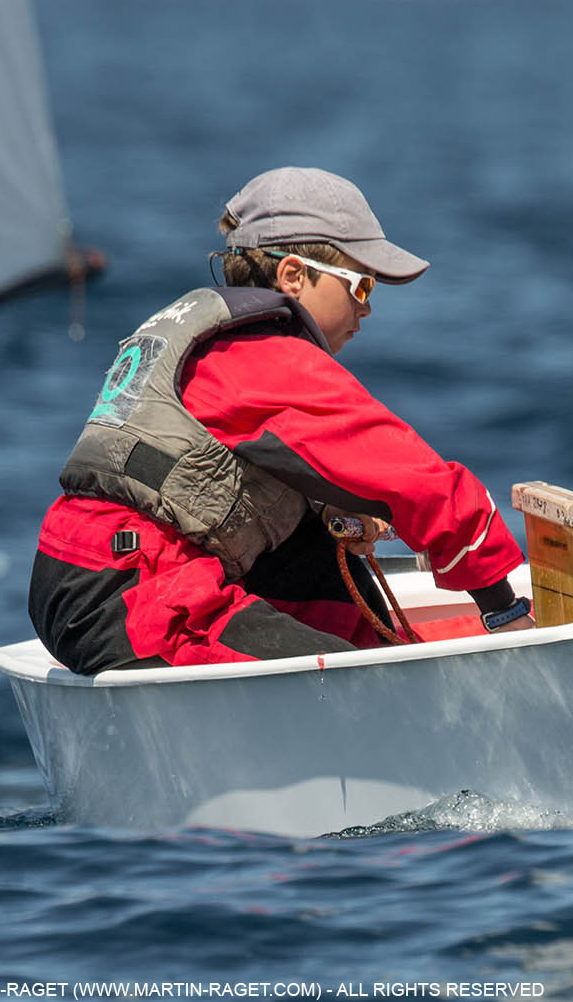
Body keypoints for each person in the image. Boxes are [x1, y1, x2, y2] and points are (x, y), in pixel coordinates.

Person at [29, 166, 532, 675]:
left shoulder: (215, 346)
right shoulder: (261, 357)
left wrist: (343, 514)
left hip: (89, 573)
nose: (369, 310)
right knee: (368, 683)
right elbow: (421, 484)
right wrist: (501, 607)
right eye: (361, 287)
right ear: (294, 276)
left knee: (331, 578)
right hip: (134, 591)